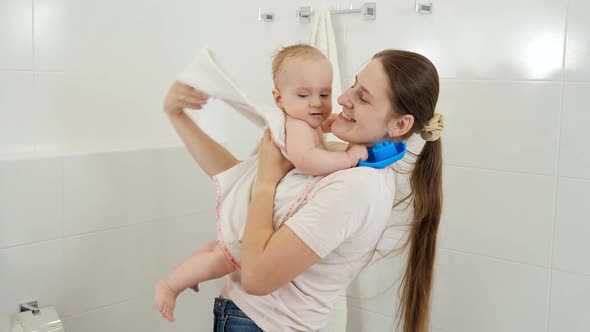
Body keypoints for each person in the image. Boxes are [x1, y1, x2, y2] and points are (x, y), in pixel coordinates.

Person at [161, 48, 444, 332]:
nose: (343, 98)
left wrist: (266, 181)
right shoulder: (335, 157)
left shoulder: (355, 185)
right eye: (353, 85)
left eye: (363, 96)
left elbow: (256, 278)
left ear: (400, 124)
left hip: (260, 324)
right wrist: (178, 116)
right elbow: (241, 183)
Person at [154, 44, 369, 323]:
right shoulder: (298, 127)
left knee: (217, 249)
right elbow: (306, 160)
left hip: (256, 216)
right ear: (279, 99)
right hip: (255, 285)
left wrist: (329, 124)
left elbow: (319, 128)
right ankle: (171, 284)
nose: (316, 103)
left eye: (324, 94)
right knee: (221, 259)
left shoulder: (304, 119)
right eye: (304, 95)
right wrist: (348, 158)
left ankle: (191, 272)